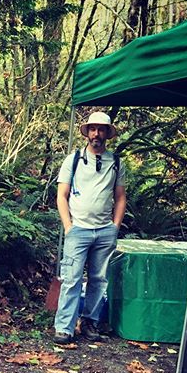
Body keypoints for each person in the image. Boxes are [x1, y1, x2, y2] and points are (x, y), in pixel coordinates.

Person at [53, 111, 126, 344]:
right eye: (93, 129)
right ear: (87, 133)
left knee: (99, 279)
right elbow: (61, 195)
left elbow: (121, 197)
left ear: (107, 133)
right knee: (71, 278)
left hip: (104, 230)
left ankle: (90, 323)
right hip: (78, 230)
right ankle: (64, 327)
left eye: (101, 129)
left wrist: (114, 227)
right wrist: (68, 226)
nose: (97, 133)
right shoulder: (73, 160)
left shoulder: (115, 162)